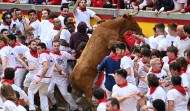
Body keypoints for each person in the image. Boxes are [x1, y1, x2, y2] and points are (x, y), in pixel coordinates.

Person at [28, 43, 65, 111]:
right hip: (48, 79)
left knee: (30, 90)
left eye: (39, 49)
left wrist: (40, 78)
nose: (37, 50)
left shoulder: (42, 55)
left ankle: (31, 107)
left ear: (43, 49)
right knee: (43, 95)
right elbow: (58, 69)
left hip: (40, 77)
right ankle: (45, 109)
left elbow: (46, 67)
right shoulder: (52, 55)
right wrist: (62, 73)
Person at [48, 40, 79, 111]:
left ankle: (75, 108)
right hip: (52, 76)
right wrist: (60, 71)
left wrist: (74, 55)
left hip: (62, 77)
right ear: (52, 46)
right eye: (55, 46)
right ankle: (53, 103)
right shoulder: (49, 55)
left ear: (59, 46)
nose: (56, 47)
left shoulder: (64, 53)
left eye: (57, 46)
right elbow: (52, 67)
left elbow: (72, 58)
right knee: (49, 91)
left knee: (65, 94)